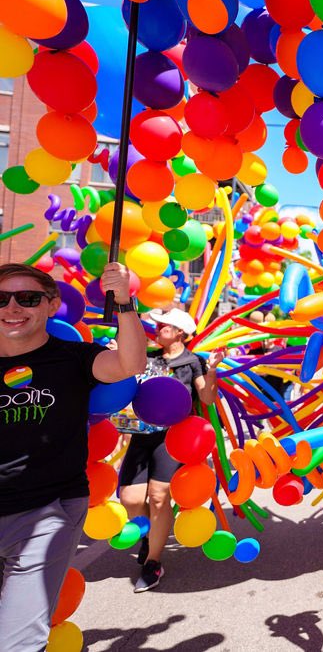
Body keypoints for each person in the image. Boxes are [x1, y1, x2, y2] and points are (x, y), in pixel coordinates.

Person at [0, 262, 146, 650]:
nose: (12, 308)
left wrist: (125, 303)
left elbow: (130, 363)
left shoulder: (73, 357)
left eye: (27, 298)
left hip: (45, 511)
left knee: (17, 640)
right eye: (2, 299)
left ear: (50, 305)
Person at [118, 307, 221, 592]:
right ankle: (151, 535)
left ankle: (153, 562)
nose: (158, 328)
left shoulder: (193, 362)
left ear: (179, 333)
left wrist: (212, 371)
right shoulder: (147, 359)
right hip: (142, 434)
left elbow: (207, 398)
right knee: (130, 498)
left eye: (164, 325)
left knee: (160, 497)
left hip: (174, 438)